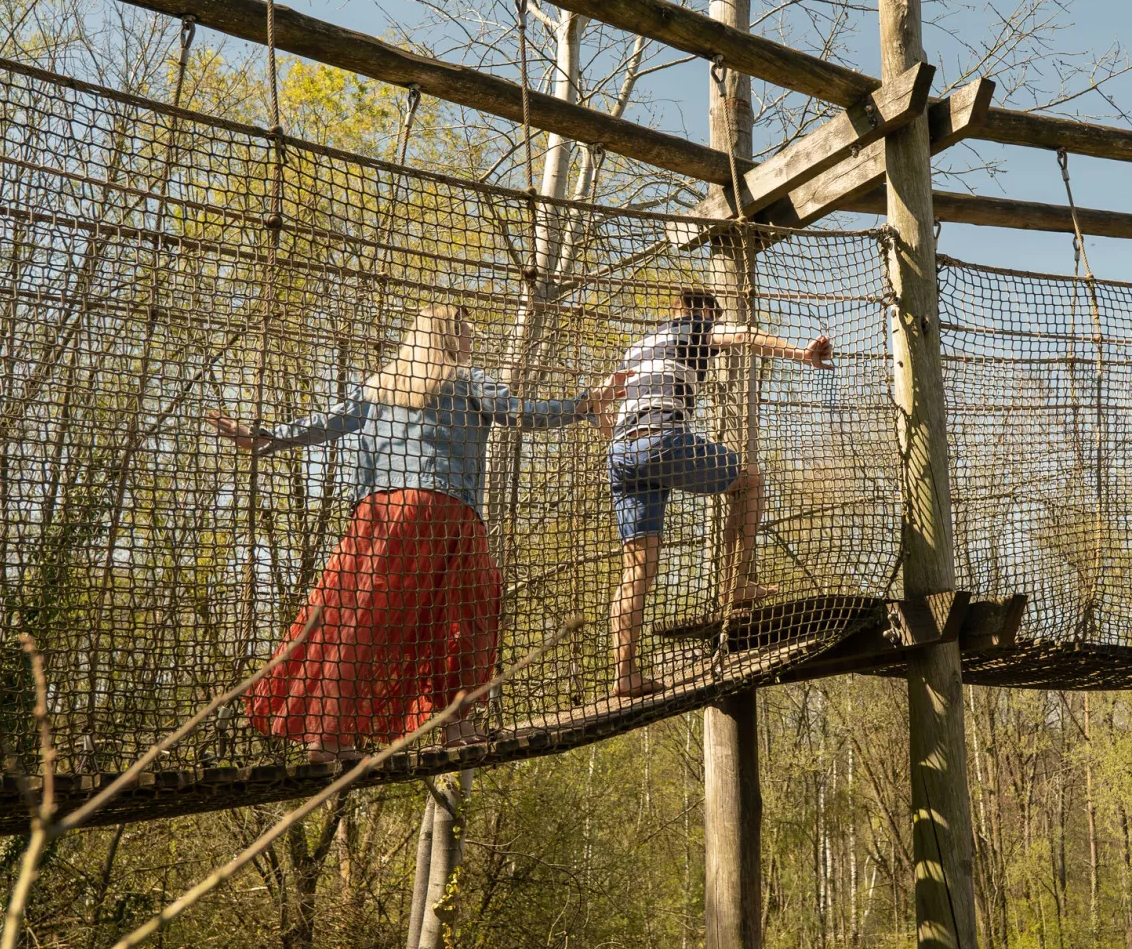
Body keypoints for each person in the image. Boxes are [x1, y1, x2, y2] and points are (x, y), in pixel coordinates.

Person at [205, 305, 597, 763]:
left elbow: (321, 425)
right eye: (465, 333)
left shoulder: (377, 386)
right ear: (448, 338)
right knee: (464, 614)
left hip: (377, 512)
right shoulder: (466, 380)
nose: (471, 341)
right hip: (444, 509)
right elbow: (521, 414)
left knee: (355, 617)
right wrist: (582, 405)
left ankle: (329, 736)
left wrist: (264, 437)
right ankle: (458, 724)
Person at [602, 288, 832, 698]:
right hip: (662, 440)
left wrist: (622, 443)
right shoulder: (695, 327)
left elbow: (603, 401)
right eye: (713, 315)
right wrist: (802, 354)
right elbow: (744, 335)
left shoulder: (639, 347)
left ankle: (624, 675)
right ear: (701, 311)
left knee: (637, 570)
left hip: (620, 453)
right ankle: (735, 583)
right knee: (751, 481)